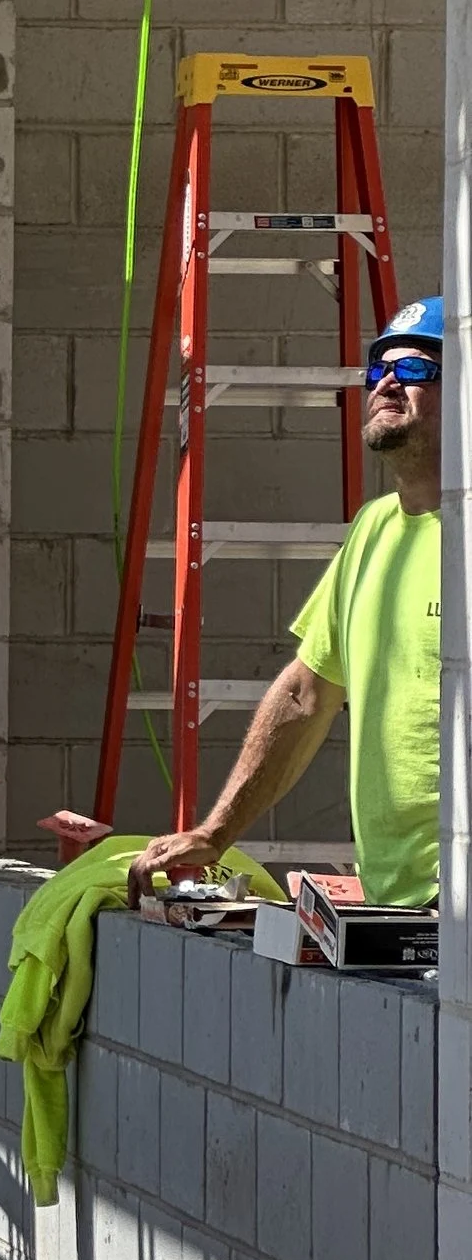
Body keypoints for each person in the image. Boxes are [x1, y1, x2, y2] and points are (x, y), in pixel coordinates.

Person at [127, 296, 440, 909]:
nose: (387, 383)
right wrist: (216, 832)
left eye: (415, 369)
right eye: (378, 370)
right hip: (401, 899)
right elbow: (305, 694)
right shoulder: (374, 530)